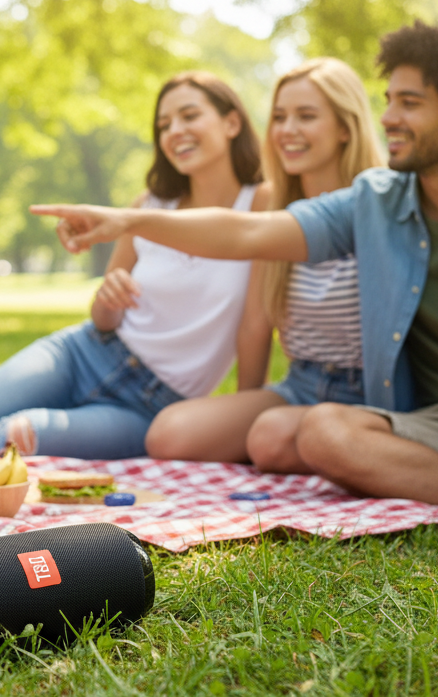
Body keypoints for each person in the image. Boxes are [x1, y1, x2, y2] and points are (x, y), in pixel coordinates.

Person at [34, 20, 438, 561]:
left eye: (410, 103)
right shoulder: (376, 200)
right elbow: (250, 232)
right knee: (322, 432)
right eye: (388, 100)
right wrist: (131, 220)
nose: (388, 117)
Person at [0, 71, 269, 458]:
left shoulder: (262, 205)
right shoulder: (149, 204)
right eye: (164, 125)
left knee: (8, 440)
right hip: (83, 353)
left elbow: (254, 325)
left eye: (189, 116)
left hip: (151, 405)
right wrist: (108, 298)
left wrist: (241, 422)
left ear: (232, 122)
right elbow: (103, 319)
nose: (174, 132)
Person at [144, 58, 385, 463]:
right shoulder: (275, 211)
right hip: (301, 384)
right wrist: (242, 414)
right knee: (169, 433)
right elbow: (256, 324)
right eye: (279, 117)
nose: (287, 130)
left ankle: (338, 447)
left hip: (371, 391)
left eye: (306, 116)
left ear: (346, 127)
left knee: (269, 437)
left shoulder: (382, 207)